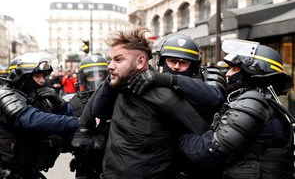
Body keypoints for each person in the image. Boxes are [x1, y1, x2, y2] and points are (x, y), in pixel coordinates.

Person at [80, 27, 210, 179]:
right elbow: (98, 110)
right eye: (111, 60)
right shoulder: (118, 86)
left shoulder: (166, 97)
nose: (110, 66)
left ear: (141, 61)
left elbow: (202, 134)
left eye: (118, 59)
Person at [178, 39, 295, 178]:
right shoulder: (264, 100)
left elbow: (207, 153)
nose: (227, 74)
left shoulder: (253, 103)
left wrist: (179, 136)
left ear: (252, 71)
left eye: (234, 68)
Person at [0, 52, 78, 179]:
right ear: (21, 76)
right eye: (37, 76)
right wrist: (76, 122)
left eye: (43, 76)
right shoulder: (4, 95)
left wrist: (60, 105)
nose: (42, 80)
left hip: (30, 170)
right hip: (8, 172)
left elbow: (64, 126)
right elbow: (29, 120)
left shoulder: (38, 98)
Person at [65, 54, 108, 179]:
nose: (96, 80)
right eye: (91, 76)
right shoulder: (75, 102)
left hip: (113, 162)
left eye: (99, 75)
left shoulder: (116, 98)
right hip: (86, 164)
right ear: (84, 78)